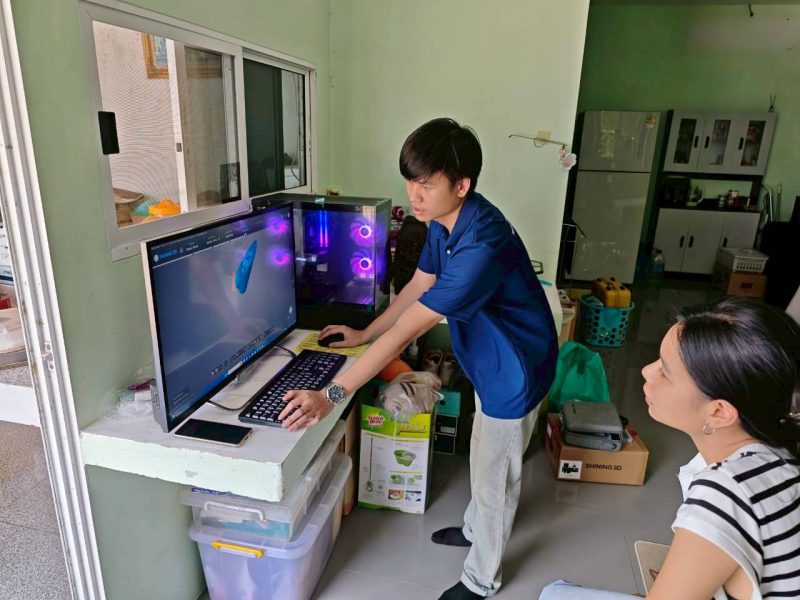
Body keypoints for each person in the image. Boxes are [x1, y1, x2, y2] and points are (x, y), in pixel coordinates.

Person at [278, 117, 558, 599]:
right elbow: (418, 286)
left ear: (462, 185)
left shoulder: (481, 244)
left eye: (426, 184)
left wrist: (332, 394)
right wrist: (365, 332)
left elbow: (410, 328)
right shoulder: (444, 222)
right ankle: (473, 530)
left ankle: (481, 579)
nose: (414, 194)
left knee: (496, 477)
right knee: (482, 455)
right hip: (490, 355)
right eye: (410, 181)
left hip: (515, 368)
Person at [540, 297, 800, 600]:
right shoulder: (781, 449)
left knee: (554, 595)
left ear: (719, 412)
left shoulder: (726, 492)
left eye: (664, 370)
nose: (646, 371)